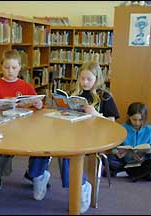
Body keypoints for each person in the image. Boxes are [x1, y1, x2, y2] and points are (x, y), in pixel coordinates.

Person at [0, 49, 51, 201]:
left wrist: (38, 104)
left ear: (19, 67)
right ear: (1, 67)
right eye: (6, 67)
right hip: (3, 127)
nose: (10, 71)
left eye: (14, 68)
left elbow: (38, 107)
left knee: (38, 142)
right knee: (2, 146)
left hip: (25, 127)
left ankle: (34, 173)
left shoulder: (26, 86)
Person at [61, 61, 120, 213]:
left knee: (70, 152)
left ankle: (81, 186)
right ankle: (79, 185)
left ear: (97, 79)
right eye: (82, 79)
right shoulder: (75, 94)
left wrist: (96, 115)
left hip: (96, 137)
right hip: (75, 134)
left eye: (89, 79)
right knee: (62, 149)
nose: (85, 82)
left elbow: (112, 122)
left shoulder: (104, 96)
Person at [104, 102, 151, 182]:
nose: (137, 123)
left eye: (140, 120)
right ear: (129, 117)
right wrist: (117, 152)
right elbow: (114, 149)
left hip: (141, 162)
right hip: (125, 162)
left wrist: (143, 156)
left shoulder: (149, 130)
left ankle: (124, 173)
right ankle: (140, 174)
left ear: (144, 118)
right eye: (134, 119)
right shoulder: (123, 128)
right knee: (107, 159)